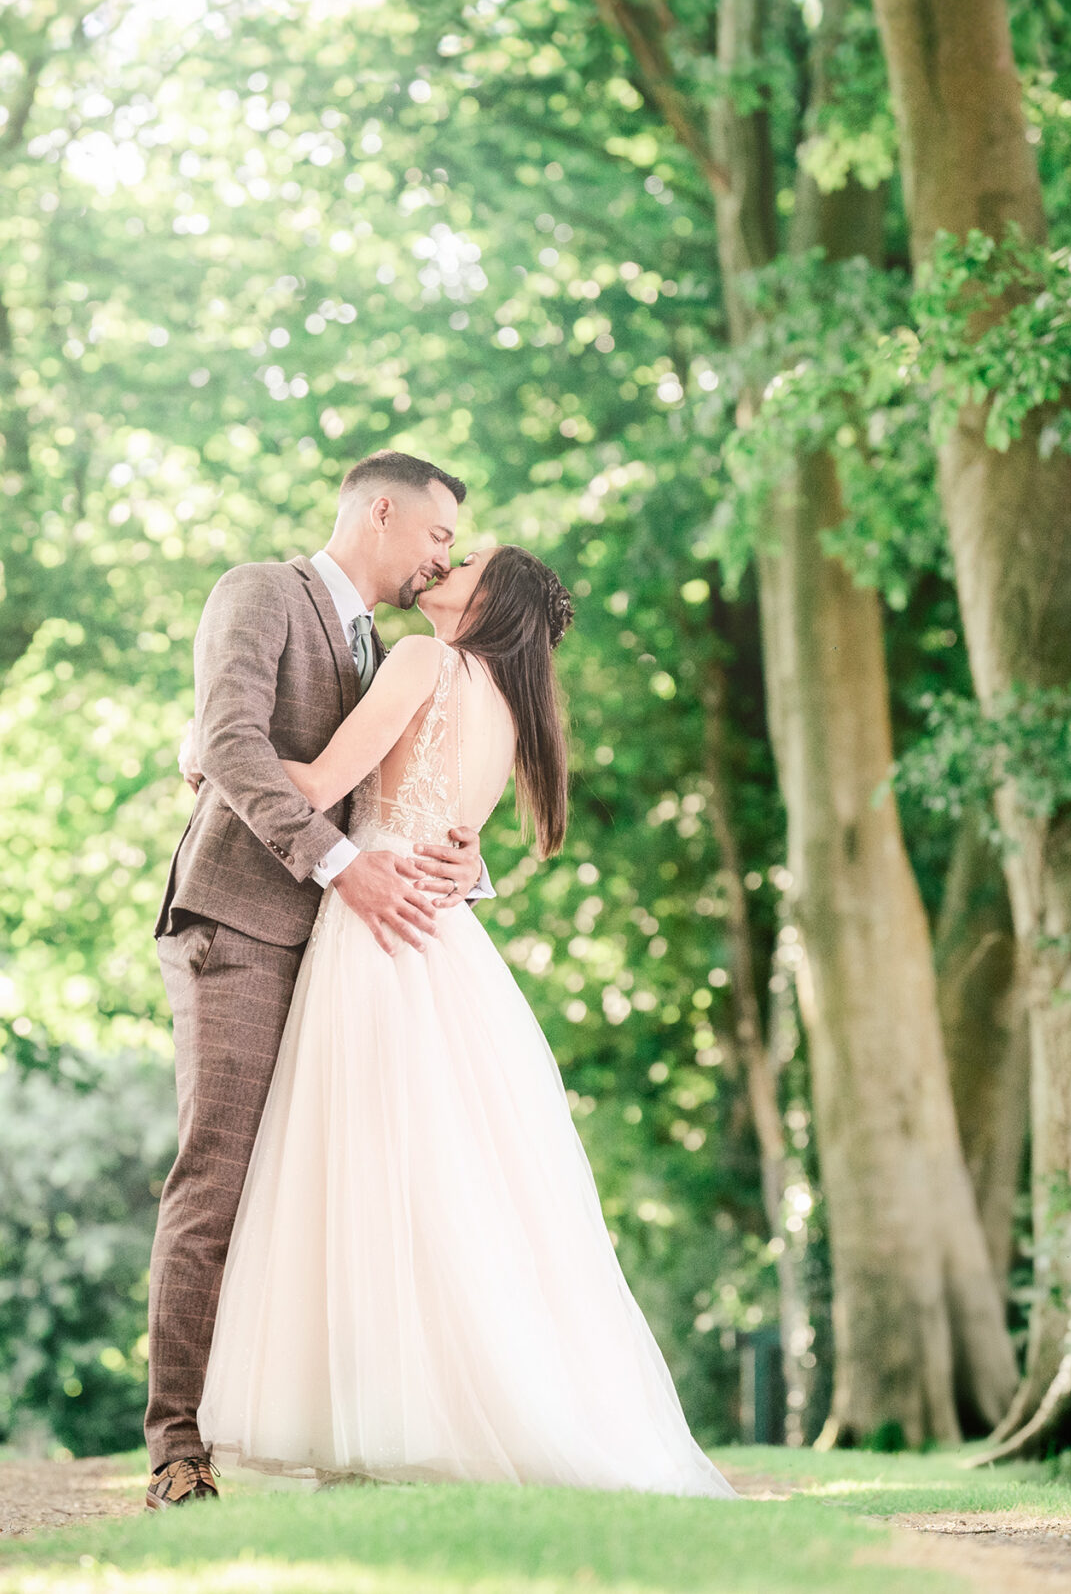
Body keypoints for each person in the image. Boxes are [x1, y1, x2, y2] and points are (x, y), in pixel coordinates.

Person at [197, 538, 736, 1500]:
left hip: (375, 933)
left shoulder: (422, 660)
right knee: (444, 1180)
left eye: (468, 560)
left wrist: (204, 750)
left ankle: (380, 1422)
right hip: (446, 946)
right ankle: (434, 1414)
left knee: (366, 1172)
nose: (446, 565)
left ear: (493, 599)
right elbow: (445, 826)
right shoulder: (509, 711)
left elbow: (316, 789)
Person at [144, 450, 489, 1508]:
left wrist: (464, 866)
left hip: (352, 958)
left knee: (343, 1188)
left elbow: (399, 792)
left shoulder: (395, 651)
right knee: (220, 1178)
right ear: (381, 511)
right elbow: (231, 743)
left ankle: (341, 1435)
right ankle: (177, 1448)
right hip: (243, 922)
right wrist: (343, 869)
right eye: (437, 534)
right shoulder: (258, 593)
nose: (443, 559)